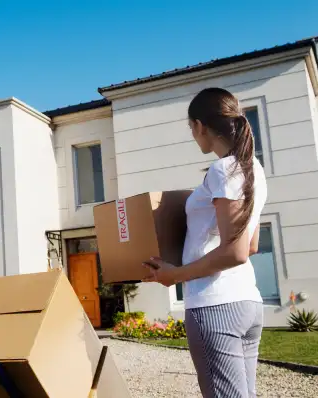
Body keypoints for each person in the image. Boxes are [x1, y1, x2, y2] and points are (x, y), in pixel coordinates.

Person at [143, 87, 267, 398]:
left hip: (214, 306)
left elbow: (236, 251)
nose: (193, 135)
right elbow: (251, 245)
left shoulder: (223, 169)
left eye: (191, 129)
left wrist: (175, 275)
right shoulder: (253, 169)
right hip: (247, 303)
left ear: (200, 126)